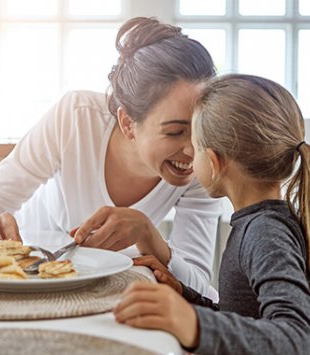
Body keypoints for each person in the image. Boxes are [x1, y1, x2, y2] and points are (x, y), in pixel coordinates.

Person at [0, 17, 222, 295]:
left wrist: (147, 234)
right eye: (175, 132)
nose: (193, 149)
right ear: (128, 123)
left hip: (110, 284)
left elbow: (200, 288)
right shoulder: (75, 118)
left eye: (202, 128)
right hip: (29, 277)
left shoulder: (207, 160)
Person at [113, 74, 310, 354]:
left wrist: (194, 324)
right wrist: (186, 296)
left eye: (196, 146)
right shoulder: (258, 223)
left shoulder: (265, 233)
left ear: (215, 161)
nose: (190, 156)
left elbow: (298, 338)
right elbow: (245, 318)